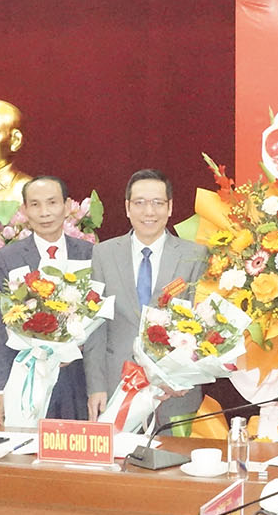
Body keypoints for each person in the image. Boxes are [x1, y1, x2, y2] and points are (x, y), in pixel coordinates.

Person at [82, 169, 208, 423]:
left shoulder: (195, 255)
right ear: (127, 207)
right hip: (117, 387)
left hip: (174, 392)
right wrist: (96, 386)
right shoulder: (104, 253)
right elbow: (95, 326)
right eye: (139, 203)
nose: (149, 212)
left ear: (170, 207)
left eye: (158, 203)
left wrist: (183, 378)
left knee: (173, 449)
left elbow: (204, 326)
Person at [0, 175, 93, 422]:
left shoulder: (89, 253)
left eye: (52, 202)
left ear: (67, 206)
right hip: (26, 377)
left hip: (78, 378)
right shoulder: (6, 258)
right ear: (24, 210)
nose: (44, 212)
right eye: (35, 205)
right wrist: (3, 391)